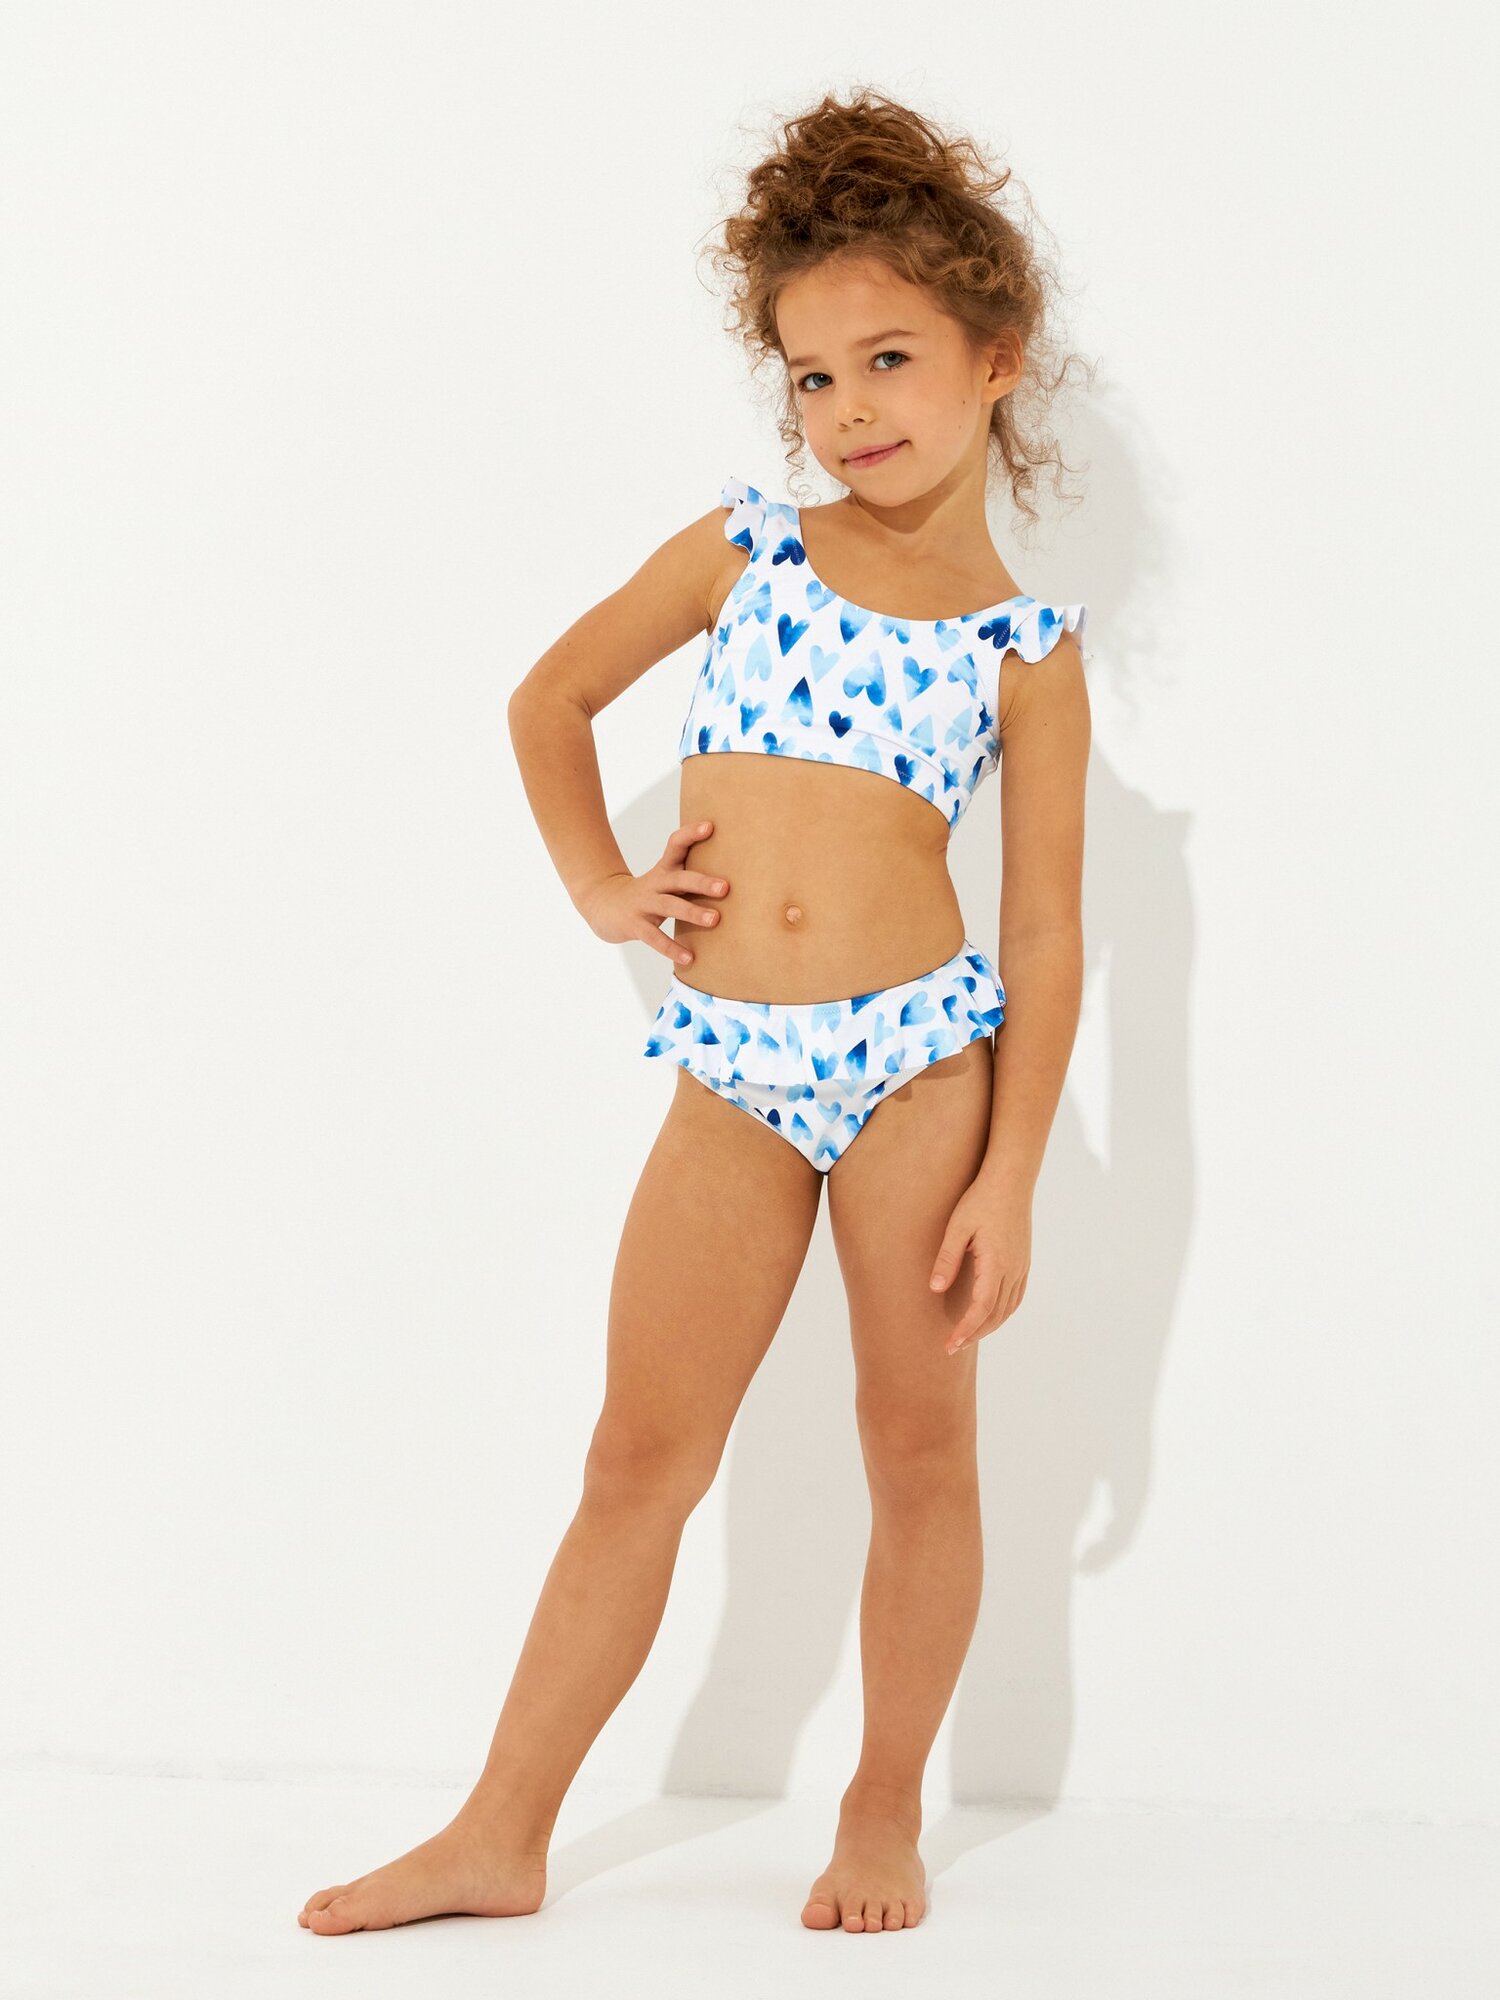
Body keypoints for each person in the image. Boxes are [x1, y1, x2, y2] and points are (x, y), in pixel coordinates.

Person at [299, 84, 1092, 1939]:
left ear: (996, 360)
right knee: (636, 1457)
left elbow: (1049, 934)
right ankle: (502, 1827)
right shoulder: (749, 546)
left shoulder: (1027, 649)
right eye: (812, 375)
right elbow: (548, 700)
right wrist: (602, 887)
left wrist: (1014, 1170)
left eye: (888, 359)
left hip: (916, 1070)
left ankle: (883, 1809)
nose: (849, 407)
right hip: (734, 1067)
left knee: (919, 1453)